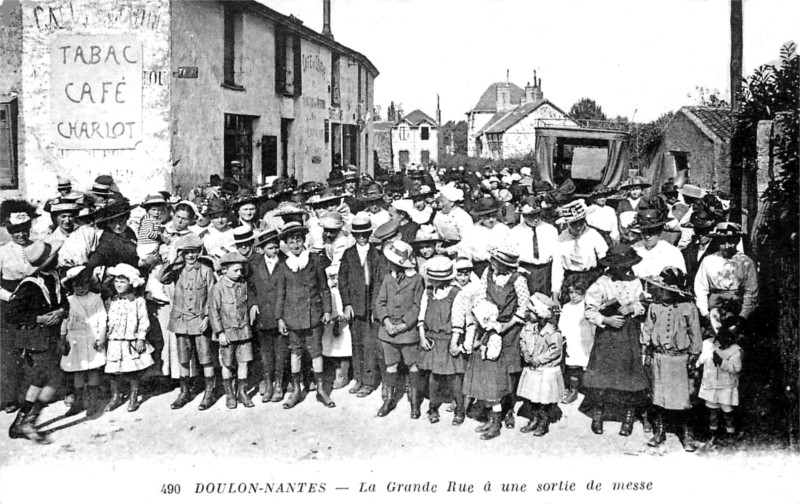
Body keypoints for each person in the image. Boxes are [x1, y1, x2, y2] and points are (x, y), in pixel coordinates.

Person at [463, 244, 530, 440]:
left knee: (509, 370)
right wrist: (485, 320)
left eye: (496, 262)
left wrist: (505, 326)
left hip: (509, 329)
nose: (491, 264)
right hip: (489, 324)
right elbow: (482, 295)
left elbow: (523, 307)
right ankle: (492, 414)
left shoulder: (518, 280)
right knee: (491, 370)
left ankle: (507, 410)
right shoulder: (488, 273)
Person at [581, 244, 648, 437]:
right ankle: (598, 413)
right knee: (602, 374)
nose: (624, 270)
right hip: (608, 335)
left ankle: (628, 415)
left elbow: (641, 302)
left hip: (628, 333)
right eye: (620, 266)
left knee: (629, 375)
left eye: (627, 266)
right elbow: (589, 311)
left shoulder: (634, 281)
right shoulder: (600, 283)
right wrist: (606, 320)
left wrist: (633, 308)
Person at [6, 241, 67, 443]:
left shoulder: (54, 278)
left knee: (44, 380)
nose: (57, 259)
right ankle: (27, 421)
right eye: (53, 257)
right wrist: (38, 319)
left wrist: (60, 311)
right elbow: (12, 314)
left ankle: (23, 422)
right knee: (47, 379)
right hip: (35, 338)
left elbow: (62, 302)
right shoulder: (30, 286)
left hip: (49, 336)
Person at [641, 267, 703, 451]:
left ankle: (685, 433)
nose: (660, 292)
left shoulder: (688, 307)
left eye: (663, 289)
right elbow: (648, 328)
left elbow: (695, 333)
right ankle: (659, 431)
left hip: (679, 359)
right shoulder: (655, 306)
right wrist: (646, 349)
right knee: (658, 396)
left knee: (682, 398)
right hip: (659, 357)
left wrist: (694, 354)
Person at [274, 222, 335, 409]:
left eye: (298, 240)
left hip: (313, 314)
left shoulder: (315, 260)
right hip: (292, 316)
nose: (295, 245)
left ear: (304, 240)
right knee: (296, 352)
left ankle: (321, 390)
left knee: (316, 352)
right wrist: (280, 318)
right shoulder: (284, 266)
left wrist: (326, 311)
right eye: (291, 242)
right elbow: (280, 294)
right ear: (286, 245)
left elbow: (324, 288)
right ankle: (296, 389)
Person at [158, 234, 217, 411]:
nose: (190, 256)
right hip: (181, 320)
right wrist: (174, 260)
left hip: (199, 320)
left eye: (194, 252)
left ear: (199, 252)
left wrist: (207, 317)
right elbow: (161, 278)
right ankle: (184, 392)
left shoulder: (206, 270)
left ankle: (209, 392)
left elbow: (212, 295)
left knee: (205, 357)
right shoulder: (177, 269)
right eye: (186, 253)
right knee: (183, 358)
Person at [374, 240, 426, 419]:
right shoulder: (388, 278)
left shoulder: (417, 279)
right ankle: (388, 399)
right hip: (388, 332)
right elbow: (380, 302)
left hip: (407, 332)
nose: (389, 263)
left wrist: (405, 324)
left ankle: (414, 401)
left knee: (412, 365)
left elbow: (417, 306)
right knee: (391, 365)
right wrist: (387, 321)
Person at [0, 199, 39, 414]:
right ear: (9, 230)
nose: (21, 235)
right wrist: (9, 297)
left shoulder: (39, 247)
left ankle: (31, 396)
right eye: (16, 230)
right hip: (9, 304)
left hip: (34, 303)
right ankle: (10, 397)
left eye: (24, 229)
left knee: (35, 349)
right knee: (10, 351)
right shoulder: (3, 252)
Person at [339, 214, 382, 398]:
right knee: (356, 343)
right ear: (354, 236)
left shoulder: (376, 254)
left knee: (369, 344)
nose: (362, 238)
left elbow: (379, 282)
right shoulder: (348, 254)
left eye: (365, 234)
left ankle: (369, 381)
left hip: (370, 308)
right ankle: (358, 378)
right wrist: (347, 304)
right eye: (358, 235)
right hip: (355, 307)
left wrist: (375, 307)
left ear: (369, 233)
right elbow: (343, 281)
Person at [417, 256, 464, 425]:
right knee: (433, 377)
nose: (433, 282)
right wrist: (422, 337)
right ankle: (433, 408)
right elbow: (421, 316)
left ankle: (460, 410)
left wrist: (454, 342)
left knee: (454, 378)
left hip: (448, 339)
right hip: (432, 339)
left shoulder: (456, 293)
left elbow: (458, 320)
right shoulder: (428, 292)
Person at [104, 263, 155, 413]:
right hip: (114, 341)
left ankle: (133, 397)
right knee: (113, 371)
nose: (119, 285)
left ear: (130, 283)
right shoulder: (111, 301)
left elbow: (143, 320)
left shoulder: (138, 301)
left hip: (130, 341)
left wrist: (141, 338)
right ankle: (115, 396)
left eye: (123, 281)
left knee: (132, 370)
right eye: (117, 281)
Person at [59, 267, 107, 418]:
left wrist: (101, 337)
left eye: (84, 285)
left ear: (89, 284)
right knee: (78, 371)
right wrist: (63, 338)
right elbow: (65, 321)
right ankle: (78, 402)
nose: (80, 289)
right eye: (76, 286)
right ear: (71, 286)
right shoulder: (69, 300)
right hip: (75, 339)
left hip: (93, 337)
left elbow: (102, 319)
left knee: (93, 369)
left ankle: (92, 402)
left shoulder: (96, 298)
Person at [694, 222, 758, 333]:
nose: (727, 246)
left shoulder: (746, 262)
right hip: (714, 307)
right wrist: (705, 313)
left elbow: (751, 292)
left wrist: (743, 316)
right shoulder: (709, 260)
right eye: (722, 242)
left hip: (738, 306)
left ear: (737, 241)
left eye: (731, 242)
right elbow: (700, 288)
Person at [247, 229, 288, 403]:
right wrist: (253, 303)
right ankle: (268, 383)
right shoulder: (254, 263)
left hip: (280, 314)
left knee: (280, 351)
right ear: (263, 248)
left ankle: (279, 384)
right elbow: (249, 287)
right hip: (262, 314)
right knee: (265, 352)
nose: (274, 251)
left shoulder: (286, 262)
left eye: (276, 247)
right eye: (270, 248)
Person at [210, 252, 255, 409]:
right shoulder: (218, 288)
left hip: (243, 331)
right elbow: (213, 312)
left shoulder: (243, 285)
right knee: (227, 364)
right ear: (224, 270)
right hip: (227, 333)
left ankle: (242, 392)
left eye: (241, 270)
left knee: (244, 362)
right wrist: (220, 333)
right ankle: (230, 394)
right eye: (235, 270)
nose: (240, 273)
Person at [517, 293, 564, 437]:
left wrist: (540, 359)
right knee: (532, 396)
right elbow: (523, 340)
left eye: (531, 312)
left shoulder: (551, 332)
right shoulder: (529, 328)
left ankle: (543, 421)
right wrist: (524, 351)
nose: (527, 314)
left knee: (543, 397)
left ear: (540, 314)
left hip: (544, 369)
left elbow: (555, 350)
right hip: (532, 368)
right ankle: (534, 418)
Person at [696, 299, 743, 443]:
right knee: (712, 411)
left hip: (726, 386)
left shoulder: (735, 350)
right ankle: (713, 434)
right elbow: (702, 358)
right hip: (711, 384)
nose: (722, 342)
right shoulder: (708, 344)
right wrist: (696, 364)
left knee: (727, 411)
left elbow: (736, 368)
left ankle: (730, 433)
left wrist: (721, 362)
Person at [551, 199, 608, 305]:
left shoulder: (593, 234)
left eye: (581, 222)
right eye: (574, 224)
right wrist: (555, 293)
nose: (578, 227)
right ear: (567, 223)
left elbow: (605, 257)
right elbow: (557, 267)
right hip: (571, 280)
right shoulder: (561, 239)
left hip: (591, 279)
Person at [509, 196, 558, 296]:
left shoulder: (550, 230)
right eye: (531, 216)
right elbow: (512, 256)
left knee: (546, 302)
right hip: (526, 270)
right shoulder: (515, 232)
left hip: (546, 271)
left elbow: (557, 256)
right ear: (524, 215)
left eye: (538, 215)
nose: (536, 219)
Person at [557, 275, 594, 404]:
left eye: (577, 293)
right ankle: (573, 390)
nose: (574, 296)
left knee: (586, 365)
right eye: (571, 292)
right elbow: (561, 325)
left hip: (585, 340)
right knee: (572, 366)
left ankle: (589, 391)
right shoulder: (566, 307)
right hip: (572, 340)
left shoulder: (587, 306)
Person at [630, 207, 687, 279]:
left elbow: (680, 277)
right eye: (644, 232)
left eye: (651, 233)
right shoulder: (635, 249)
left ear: (659, 232)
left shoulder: (672, 252)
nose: (647, 237)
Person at [460, 196, 510, 277]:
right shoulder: (472, 231)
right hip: (480, 268)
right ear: (480, 216)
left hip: (501, 267)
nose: (491, 219)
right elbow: (466, 252)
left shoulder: (503, 229)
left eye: (493, 216)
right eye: (487, 216)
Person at [137, 194, 168, 260]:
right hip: (147, 246)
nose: (157, 212)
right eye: (154, 210)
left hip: (151, 245)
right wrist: (161, 237)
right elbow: (149, 233)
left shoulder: (154, 218)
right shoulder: (147, 219)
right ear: (147, 210)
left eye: (159, 210)